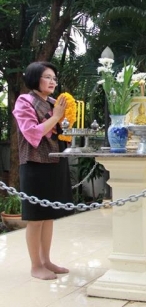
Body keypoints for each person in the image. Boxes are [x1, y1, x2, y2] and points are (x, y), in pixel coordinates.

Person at [12, 61, 73, 280]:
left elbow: (64, 132)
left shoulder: (55, 103)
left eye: (54, 78)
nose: (52, 82)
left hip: (55, 162)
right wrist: (56, 117)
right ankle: (35, 266)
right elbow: (31, 133)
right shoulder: (24, 101)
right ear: (34, 78)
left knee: (48, 217)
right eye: (47, 77)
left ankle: (46, 261)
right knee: (36, 218)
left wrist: (66, 120)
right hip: (34, 165)